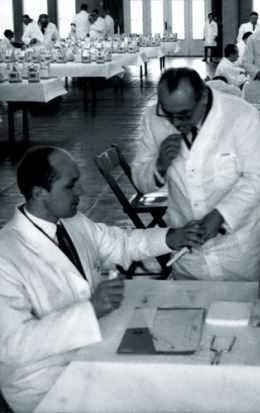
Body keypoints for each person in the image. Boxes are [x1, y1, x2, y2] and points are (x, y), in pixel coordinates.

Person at [0, 147, 205, 413]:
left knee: (172, 379)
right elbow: (13, 346)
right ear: (40, 193)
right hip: (44, 382)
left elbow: (119, 243)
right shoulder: (6, 255)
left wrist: (172, 237)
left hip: (89, 353)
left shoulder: (71, 223)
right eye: (71, 186)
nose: (82, 192)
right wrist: (90, 310)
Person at [132, 68, 260, 280]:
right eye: (167, 114)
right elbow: (141, 181)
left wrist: (220, 216)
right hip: (189, 250)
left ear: (203, 96)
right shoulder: (153, 119)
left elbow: (257, 179)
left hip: (238, 248)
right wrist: (159, 165)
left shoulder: (240, 115)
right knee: (190, 308)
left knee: (242, 308)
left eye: (184, 115)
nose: (176, 123)